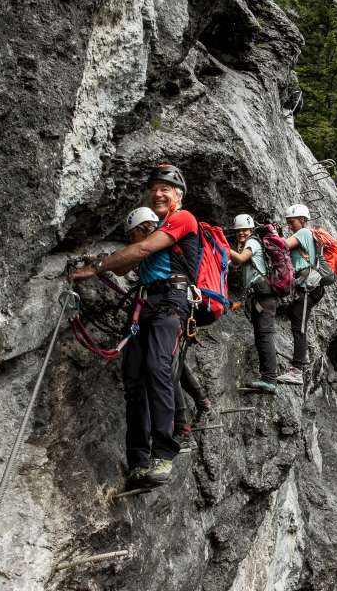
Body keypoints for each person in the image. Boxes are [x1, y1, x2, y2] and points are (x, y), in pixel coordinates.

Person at [69, 164, 197, 488]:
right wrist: (94, 266)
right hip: (143, 312)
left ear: (178, 195)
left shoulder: (183, 219)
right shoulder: (158, 229)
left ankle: (165, 452)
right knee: (134, 379)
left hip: (170, 304)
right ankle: (138, 461)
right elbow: (129, 258)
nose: (158, 192)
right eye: (154, 187)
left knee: (157, 367)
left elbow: (140, 249)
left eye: (166, 188)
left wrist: (94, 267)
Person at [122, 207, 210, 453]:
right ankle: (198, 405)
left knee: (163, 368)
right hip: (168, 307)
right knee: (169, 366)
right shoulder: (158, 248)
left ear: (142, 229)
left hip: (173, 306)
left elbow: (141, 251)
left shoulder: (164, 239)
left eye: (132, 235)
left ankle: (181, 428)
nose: (131, 240)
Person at [228, 213, 292, 393]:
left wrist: (222, 247)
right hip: (260, 296)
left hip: (264, 296)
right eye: (239, 231)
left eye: (244, 230)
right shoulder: (249, 243)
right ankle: (267, 378)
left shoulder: (253, 242)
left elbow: (240, 259)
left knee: (264, 335)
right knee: (261, 335)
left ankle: (270, 379)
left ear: (251, 230)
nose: (241, 233)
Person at [278, 203, 324, 385]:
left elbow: (283, 246)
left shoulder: (304, 233)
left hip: (307, 287)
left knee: (300, 328)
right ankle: (298, 363)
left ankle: (297, 371)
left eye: (292, 222)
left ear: (303, 220)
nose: (290, 225)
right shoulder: (305, 234)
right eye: (288, 222)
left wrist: (271, 236)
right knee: (297, 323)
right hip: (304, 286)